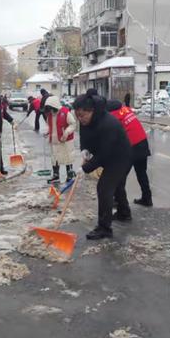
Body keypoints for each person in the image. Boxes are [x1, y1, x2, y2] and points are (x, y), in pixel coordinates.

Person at [73, 90, 132, 240]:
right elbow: (84, 136)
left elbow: (105, 154)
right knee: (117, 186)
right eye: (77, 115)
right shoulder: (87, 120)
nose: (80, 119)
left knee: (104, 187)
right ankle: (124, 214)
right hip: (110, 155)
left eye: (82, 115)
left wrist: (85, 168)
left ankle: (104, 228)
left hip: (120, 157)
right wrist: (85, 150)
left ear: (91, 110)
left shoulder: (108, 124)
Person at [107, 99, 153, 207]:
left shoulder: (113, 117)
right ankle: (147, 199)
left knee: (120, 177)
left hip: (132, 147)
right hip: (143, 142)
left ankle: (119, 203)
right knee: (141, 173)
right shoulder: (126, 110)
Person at [44, 95, 76, 184]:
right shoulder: (50, 115)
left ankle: (69, 175)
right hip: (54, 141)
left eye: (51, 108)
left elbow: (73, 124)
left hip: (65, 140)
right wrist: (47, 132)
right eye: (49, 109)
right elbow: (49, 125)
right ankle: (56, 175)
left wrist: (66, 132)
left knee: (67, 156)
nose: (50, 111)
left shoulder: (65, 112)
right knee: (55, 158)